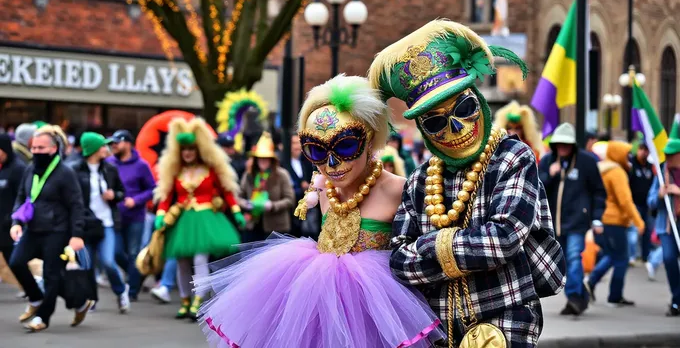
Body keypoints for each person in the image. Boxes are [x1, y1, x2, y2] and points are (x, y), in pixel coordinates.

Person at [196, 75, 443, 348]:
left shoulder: (398, 189)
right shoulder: (323, 185)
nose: (332, 163)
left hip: (377, 305)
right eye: (316, 151)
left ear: (370, 140)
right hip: (314, 295)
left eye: (346, 145)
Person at [370, 20, 565, 347]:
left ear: (478, 100)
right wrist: (470, 246)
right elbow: (400, 261)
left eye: (464, 107)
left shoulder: (512, 157)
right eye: (435, 122)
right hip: (438, 326)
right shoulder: (421, 180)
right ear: (422, 129)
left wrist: (431, 246)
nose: (456, 128)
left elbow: (503, 239)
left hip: (506, 314)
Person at [154, 117, 244, 321]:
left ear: (199, 150)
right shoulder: (175, 171)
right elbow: (166, 194)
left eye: (192, 149)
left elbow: (227, 190)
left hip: (207, 220)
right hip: (183, 221)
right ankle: (185, 300)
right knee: (182, 261)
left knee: (200, 258)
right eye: (184, 149)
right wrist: (160, 214)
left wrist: (236, 210)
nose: (187, 152)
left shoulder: (211, 170)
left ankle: (198, 299)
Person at [9, 130, 92, 332]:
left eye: (41, 148)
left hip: (58, 230)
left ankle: (42, 317)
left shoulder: (65, 173)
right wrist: (16, 222)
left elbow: (76, 206)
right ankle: (44, 299)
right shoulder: (30, 169)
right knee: (16, 262)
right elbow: (21, 197)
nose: (36, 151)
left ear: (53, 149)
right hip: (33, 228)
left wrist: (77, 235)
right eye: (34, 148)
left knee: (51, 275)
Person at [538, 122, 606, 315]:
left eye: (567, 144)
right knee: (562, 263)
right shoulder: (547, 162)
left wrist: (597, 218)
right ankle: (579, 295)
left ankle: (575, 297)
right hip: (553, 223)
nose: (563, 147)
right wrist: (549, 175)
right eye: (559, 144)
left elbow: (599, 192)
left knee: (575, 258)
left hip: (577, 221)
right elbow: (535, 187)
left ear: (573, 145)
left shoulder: (587, 162)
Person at [74, 132, 130, 313]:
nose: (107, 148)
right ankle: (91, 299)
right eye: (103, 146)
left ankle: (121, 291)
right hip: (85, 225)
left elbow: (122, 192)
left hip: (106, 224)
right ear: (93, 150)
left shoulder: (110, 169)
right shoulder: (75, 170)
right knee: (86, 265)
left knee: (108, 262)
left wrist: (115, 195)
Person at [585, 141, 645, 307]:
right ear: (618, 154)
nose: (628, 158)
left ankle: (590, 282)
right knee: (622, 259)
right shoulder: (617, 172)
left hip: (604, 219)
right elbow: (625, 201)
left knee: (612, 255)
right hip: (615, 220)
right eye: (626, 154)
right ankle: (615, 295)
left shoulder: (603, 168)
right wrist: (639, 221)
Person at [107, 129, 156, 301]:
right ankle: (135, 274)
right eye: (111, 143)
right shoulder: (109, 163)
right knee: (115, 252)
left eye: (116, 142)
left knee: (134, 251)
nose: (113, 146)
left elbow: (152, 189)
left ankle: (132, 290)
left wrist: (136, 200)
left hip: (135, 216)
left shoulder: (141, 165)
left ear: (128, 143)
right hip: (114, 215)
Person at [647, 119, 680, 317]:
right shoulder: (661, 173)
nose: (667, 158)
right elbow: (650, 201)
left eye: (671, 155)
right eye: (666, 155)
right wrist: (660, 195)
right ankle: (676, 300)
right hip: (667, 226)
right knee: (668, 258)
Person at [0, 133, 39, 303]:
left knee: (16, 263)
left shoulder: (18, 168)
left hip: (9, 226)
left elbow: (25, 197)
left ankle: (36, 294)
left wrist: (15, 219)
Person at [239, 132, 295, 241]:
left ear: (272, 160)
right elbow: (238, 196)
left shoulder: (281, 174)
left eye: (266, 158)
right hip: (253, 225)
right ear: (255, 159)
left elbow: (290, 200)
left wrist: (272, 206)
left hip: (275, 227)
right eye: (260, 158)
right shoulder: (249, 175)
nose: (263, 161)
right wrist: (245, 204)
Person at [285, 134, 315, 237]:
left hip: (306, 210)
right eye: (293, 143)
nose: (296, 146)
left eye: (298, 143)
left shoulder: (307, 162)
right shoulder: (284, 163)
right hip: (290, 211)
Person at [629, 140, 654, 264]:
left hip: (647, 205)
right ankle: (632, 256)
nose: (643, 152)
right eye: (641, 149)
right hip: (634, 204)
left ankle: (645, 256)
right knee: (634, 232)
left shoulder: (650, 167)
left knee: (647, 230)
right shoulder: (631, 164)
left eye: (646, 150)